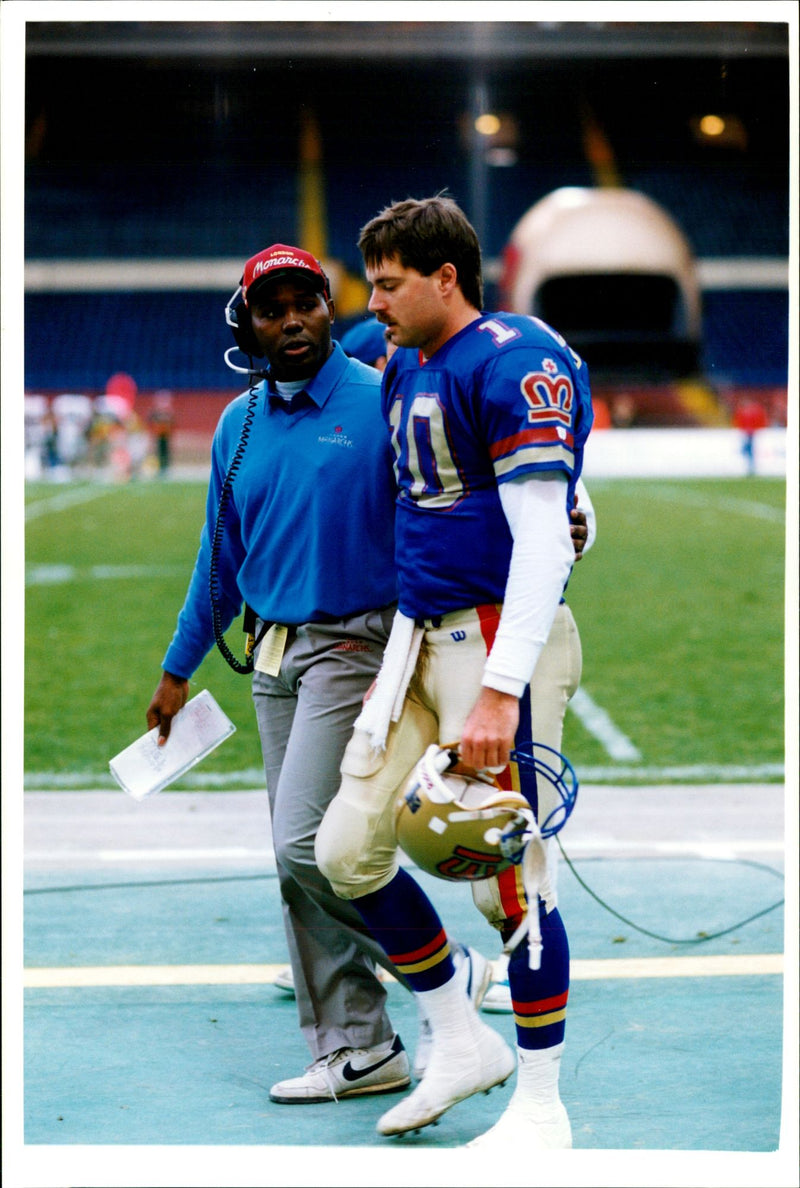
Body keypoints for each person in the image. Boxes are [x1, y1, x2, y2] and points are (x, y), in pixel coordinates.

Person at [145, 242, 495, 1107]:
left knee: (310, 843)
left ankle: (444, 971)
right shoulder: (240, 423)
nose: (292, 320)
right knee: (293, 858)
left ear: (328, 311)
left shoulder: (382, 395)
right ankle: (358, 1048)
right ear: (249, 326)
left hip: (359, 648)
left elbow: (456, 497)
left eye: (306, 303)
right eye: (272, 310)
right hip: (272, 657)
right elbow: (218, 560)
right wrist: (177, 666)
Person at [316, 195, 593, 1148]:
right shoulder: (407, 363)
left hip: (490, 642)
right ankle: (459, 1038)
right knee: (346, 848)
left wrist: (501, 689)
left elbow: (547, 530)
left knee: (511, 881)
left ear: (446, 278)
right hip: (418, 636)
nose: (375, 303)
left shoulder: (516, 357)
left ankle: (543, 1106)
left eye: (389, 285)